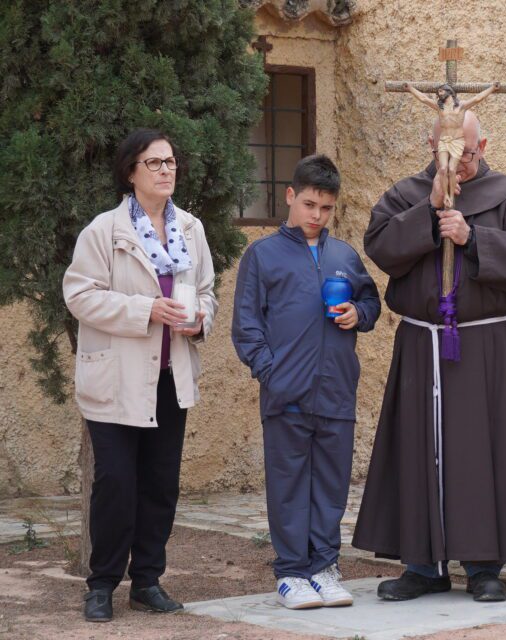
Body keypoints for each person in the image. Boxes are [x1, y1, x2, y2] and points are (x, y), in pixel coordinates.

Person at [352, 110, 506, 603]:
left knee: (482, 453)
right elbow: (380, 247)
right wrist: (429, 210)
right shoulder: (404, 194)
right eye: (450, 153)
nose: (460, 163)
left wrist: (474, 237)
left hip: (484, 345)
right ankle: (422, 565)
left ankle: (484, 565)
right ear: (431, 144)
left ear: (484, 145)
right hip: (423, 343)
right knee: (420, 447)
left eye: (468, 153)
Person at [63, 128, 216, 622]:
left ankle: (147, 581)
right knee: (115, 482)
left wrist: (199, 320)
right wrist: (145, 309)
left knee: (160, 483)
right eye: (154, 163)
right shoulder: (104, 231)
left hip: (170, 377)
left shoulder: (191, 229)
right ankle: (102, 584)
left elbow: (207, 291)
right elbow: (80, 295)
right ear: (131, 171)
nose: (166, 170)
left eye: (170, 161)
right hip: (118, 380)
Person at [231, 155, 381, 609]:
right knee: (290, 484)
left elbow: (370, 302)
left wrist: (359, 314)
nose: (317, 215)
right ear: (291, 196)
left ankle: (325, 568)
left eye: (327, 208)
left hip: (336, 390)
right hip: (286, 394)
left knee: (331, 485)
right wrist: (271, 374)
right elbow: (246, 326)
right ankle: (292, 573)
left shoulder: (344, 257)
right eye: (310, 204)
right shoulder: (262, 255)